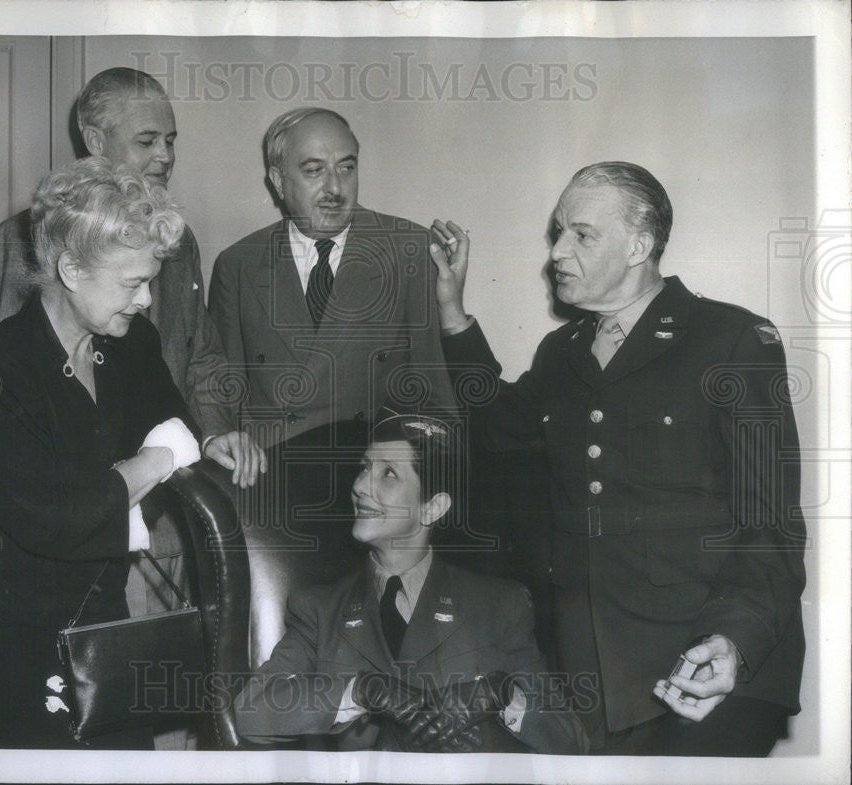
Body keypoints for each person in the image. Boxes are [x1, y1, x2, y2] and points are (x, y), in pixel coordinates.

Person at [431, 162, 806, 755]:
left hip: (706, 661)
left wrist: (735, 641)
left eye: (581, 234)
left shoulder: (731, 341)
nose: (556, 251)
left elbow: (770, 524)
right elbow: (499, 428)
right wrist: (453, 315)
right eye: (558, 232)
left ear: (640, 245)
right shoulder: (563, 351)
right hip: (596, 671)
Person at [0, 158, 212, 748]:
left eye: (151, 281)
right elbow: (56, 519)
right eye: (131, 282)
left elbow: (180, 426)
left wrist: (129, 482)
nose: (146, 300)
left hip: (93, 621)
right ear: (71, 268)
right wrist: (150, 464)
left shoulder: (129, 340)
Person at [234, 414, 588, 754]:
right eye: (364, 468)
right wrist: (361, 691)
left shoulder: (498, 605)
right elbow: (251, 711)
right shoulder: (320, 609)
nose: (359, 486)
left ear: (432, 508)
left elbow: (570, 740)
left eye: (388, 474)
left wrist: (502, 695)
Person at [0, 67, 260, 480]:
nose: (165, 155)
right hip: (74, 496)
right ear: (95, 141)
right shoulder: (20, 239)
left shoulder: (178, 238)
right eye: (147, 141)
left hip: (171, 497)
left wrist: (211, 434)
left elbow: (202, 358)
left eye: (170, 140)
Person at [209, 108, 457, 447]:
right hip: (272, 476)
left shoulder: (410, 251)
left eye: (347, 167)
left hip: (369, 474)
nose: (335, 188)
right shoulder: (238, 265)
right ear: (279, 181)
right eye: (314, 171)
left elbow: (435, 400)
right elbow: (225, 396)